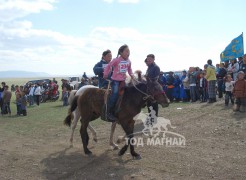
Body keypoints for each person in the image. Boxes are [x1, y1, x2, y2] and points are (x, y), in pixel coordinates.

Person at [103, 44, 134, 122]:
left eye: (129, 51)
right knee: (115, 93)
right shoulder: (116, 60)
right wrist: (106, 74)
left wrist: (132, 75)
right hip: (115, 80)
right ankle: (108, 112)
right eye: (126, 51)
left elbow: (130, 70)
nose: (128, 53)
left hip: (124, 80)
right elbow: (109, 66)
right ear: (121, 52)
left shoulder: (129, 61)